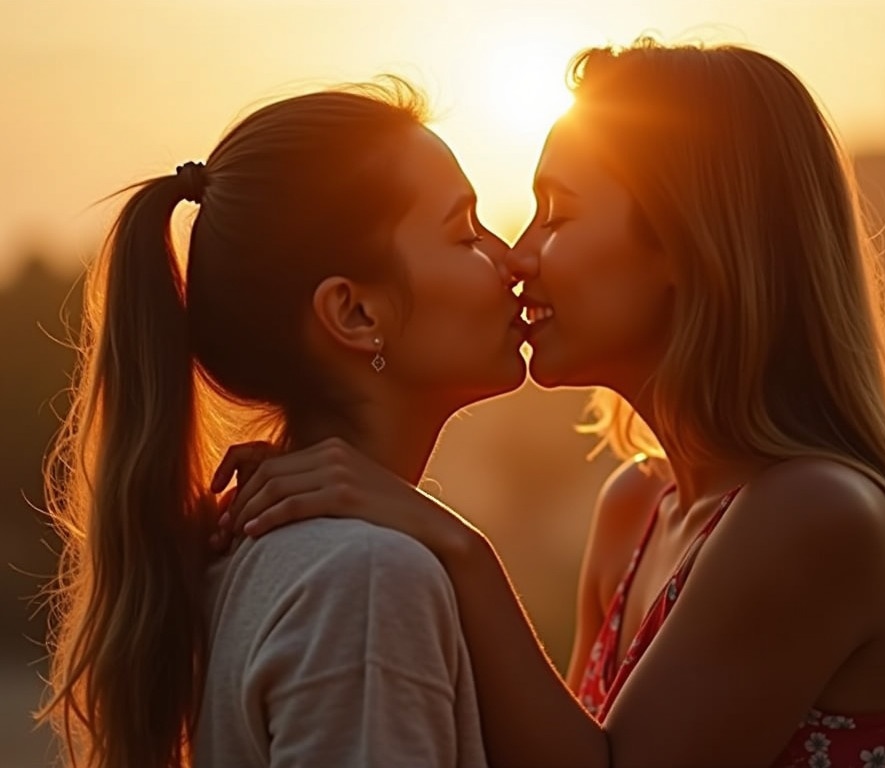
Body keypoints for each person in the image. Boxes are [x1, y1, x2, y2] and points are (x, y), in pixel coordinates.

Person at [219, 41, 885, 767]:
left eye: (556, 214)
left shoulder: (817, 515)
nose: (519, 256)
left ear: (683, 246)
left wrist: (455, 547)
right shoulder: (635, 509)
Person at [38, 80, 528, 768]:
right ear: (356, 315)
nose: (511, 261)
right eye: (465, 233)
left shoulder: (270, 556)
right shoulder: (365, 580)